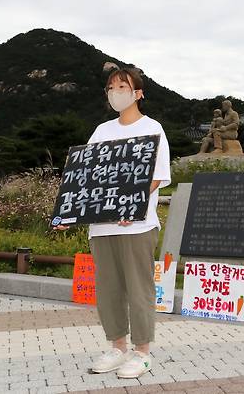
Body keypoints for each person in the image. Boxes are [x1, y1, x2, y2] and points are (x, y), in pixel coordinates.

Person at [55, 66, 170, 378]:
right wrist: (69, 211)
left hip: (136, 225)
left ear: (138, 93)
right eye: (111, 87)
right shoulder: (102, 131)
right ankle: (117, 347)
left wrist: (128, 204)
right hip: (102, 225)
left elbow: (156, 178)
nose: (115, 92)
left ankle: (142, 352)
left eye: (123, 86)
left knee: (139, 288)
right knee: (108, 289)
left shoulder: (153, 129)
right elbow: (85, 176)